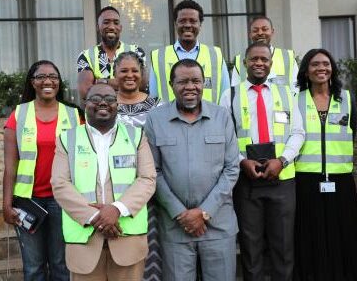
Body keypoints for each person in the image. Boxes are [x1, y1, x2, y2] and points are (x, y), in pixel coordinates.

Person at [144, 58, 239, 281]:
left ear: (204, 83)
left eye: (196, 81)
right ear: (171, 84)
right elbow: (152, 171)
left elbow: (232, 168)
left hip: (218, 225)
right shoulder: (155, 119)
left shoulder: (222, 117)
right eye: (183, 81)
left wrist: (203, 212)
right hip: (175, 226)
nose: (190, 87)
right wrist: (181, 213)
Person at [51, 83, 156, 280]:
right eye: (95, 98)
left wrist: (116, 209)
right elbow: (60, 183)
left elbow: (147, 178)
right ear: (84, 103)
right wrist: (95, 217)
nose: (102, 103)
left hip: (127, 240)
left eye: (109, 99)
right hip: (84, 243)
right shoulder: (67, 139)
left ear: (117, 104)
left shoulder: (136, 136)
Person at [232, 42, 304, 281]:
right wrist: (242, 162)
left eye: (264, 59)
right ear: (245, 63)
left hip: (282, 180)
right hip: (246, 181)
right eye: (254, 59)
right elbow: (225, 136)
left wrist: (282, 161)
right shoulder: (231, 94)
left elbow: (298, 133)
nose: (259, 63)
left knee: (283, 246)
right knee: (251, 248)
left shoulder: (286, 93)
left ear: (271, 64)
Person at [3, 60, 80, 281]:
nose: (48, 81)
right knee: (33, 267)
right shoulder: (19, 114)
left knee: (60, 266)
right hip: (28, 202)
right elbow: (11, 166)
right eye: (41, 77)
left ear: (59, 82)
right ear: (32, 82)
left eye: (53, 77)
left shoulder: (74, 116)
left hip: (62, 201)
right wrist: (7, 204)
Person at [294, 48, 357, 281]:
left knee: (344, 234)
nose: (321, 68)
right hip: (305, 179)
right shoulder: (295, 100)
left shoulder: (347, 99)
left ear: (332, 69)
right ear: (306, 71)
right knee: (309, 235)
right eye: (314, 64)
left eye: (326, 63)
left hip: (341, 180)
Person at [113, 51, 162, 281]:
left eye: (134, 70)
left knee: (152, 253)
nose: (130, 75)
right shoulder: (105, 104)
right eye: (124, 70)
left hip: (151, 191)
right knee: (121, 255)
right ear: (115, 74)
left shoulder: (158, 106)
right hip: (115, 193)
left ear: (142, 74)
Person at [149, 0, 230, 104]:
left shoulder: (215, 55)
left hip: (210, 119)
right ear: (175, 24)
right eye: (182, 21)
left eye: (193, 21)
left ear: (200, 24)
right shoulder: (158, 57)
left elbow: (226, 95)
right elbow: (153, 98)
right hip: (168, 119)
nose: (187, 25)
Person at [77, 6, 145, 98]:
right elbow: (85, 91)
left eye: (116, 23)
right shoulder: (87, 56)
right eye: (106, 22)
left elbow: (142, 85)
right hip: (100, 111)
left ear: (120, 28)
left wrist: (103, 81)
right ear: (98, 27)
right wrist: (126, 85)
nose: (112, 27)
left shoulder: (137, 52)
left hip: (132, 111)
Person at [232, 16, 299, 94]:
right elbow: (235, 92)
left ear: (272, 32)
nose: (260, 33)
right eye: (255, 30)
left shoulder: (288, 57)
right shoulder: (240, 60)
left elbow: (296, 90)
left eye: (264, 29)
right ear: (250, 34)